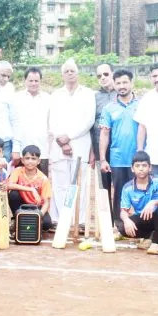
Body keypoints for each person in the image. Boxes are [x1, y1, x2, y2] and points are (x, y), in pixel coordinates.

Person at [48, 59, 95, 225]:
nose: (69, 74)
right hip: (59, 146)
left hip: (80, 144)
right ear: (62, 75)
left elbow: (89, 120)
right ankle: (60, 218)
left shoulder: (88, 93)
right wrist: (62, 141)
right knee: (60, 184)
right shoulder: (56, 95)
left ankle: (79, 220)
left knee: (79, 184)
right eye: (66, 71)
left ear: (78, 73)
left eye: (72, 71)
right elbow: (52, 121)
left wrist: (69, 137)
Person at [99, 69, 139, 224]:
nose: (122, 86)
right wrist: (103, 159)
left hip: (138, 159)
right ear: (114, 85)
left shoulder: (140, 105)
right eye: (118, 83)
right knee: (119, 194)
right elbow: (104, 134)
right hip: (117, 158)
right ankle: (119, 225)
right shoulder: (109, 108)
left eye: (125, 82)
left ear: (131, 83)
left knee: (139, 192)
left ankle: (139, 225)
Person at [117, 151, 158, 254]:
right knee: (122, 228)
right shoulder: (127, 188)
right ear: (132, 168)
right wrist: (126, 220)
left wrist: (154, 202)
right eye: (137, 166)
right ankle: (150, 236)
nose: (141, 169)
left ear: (150, 167)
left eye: (144, 165)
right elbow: (123, 211)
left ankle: (157, 243)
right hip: (143, 218)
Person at [11, 67, 51, 174]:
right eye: (30, 81)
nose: (33, 83)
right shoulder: (16, 98)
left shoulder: (48, 99)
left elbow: (51, 125)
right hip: (22, 151)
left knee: (41, 185)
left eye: (36, 81)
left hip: (43, 152)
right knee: (20, 186)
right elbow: (14, 124)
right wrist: (16, 149)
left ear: (40, 81)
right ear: (25, 81)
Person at [6, 145, 54, 231]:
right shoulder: (18, 170)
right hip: (21, 205)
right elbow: (9, 185)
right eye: (27, 158)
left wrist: (39, 215)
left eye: (33, 158)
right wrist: (31, 189)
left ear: (38, 161)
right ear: (22, 160)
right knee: (13, 194)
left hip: (36, 207)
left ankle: (30, 222)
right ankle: (17, 218)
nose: (30, 161)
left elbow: (46, 203)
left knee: (47, 224)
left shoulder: (43, 179)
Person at [93, 63, 118, 201]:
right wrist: (92, 150)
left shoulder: (122, 93)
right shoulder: (94, 97)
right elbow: (91, 124)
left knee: (121, 181)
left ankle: (121, 216)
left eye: (106, 74)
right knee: (102, 183)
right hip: (100, 146)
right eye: (99, 75)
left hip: (119, 145)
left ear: (113, 73)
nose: (103, 77)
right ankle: (104, 215)